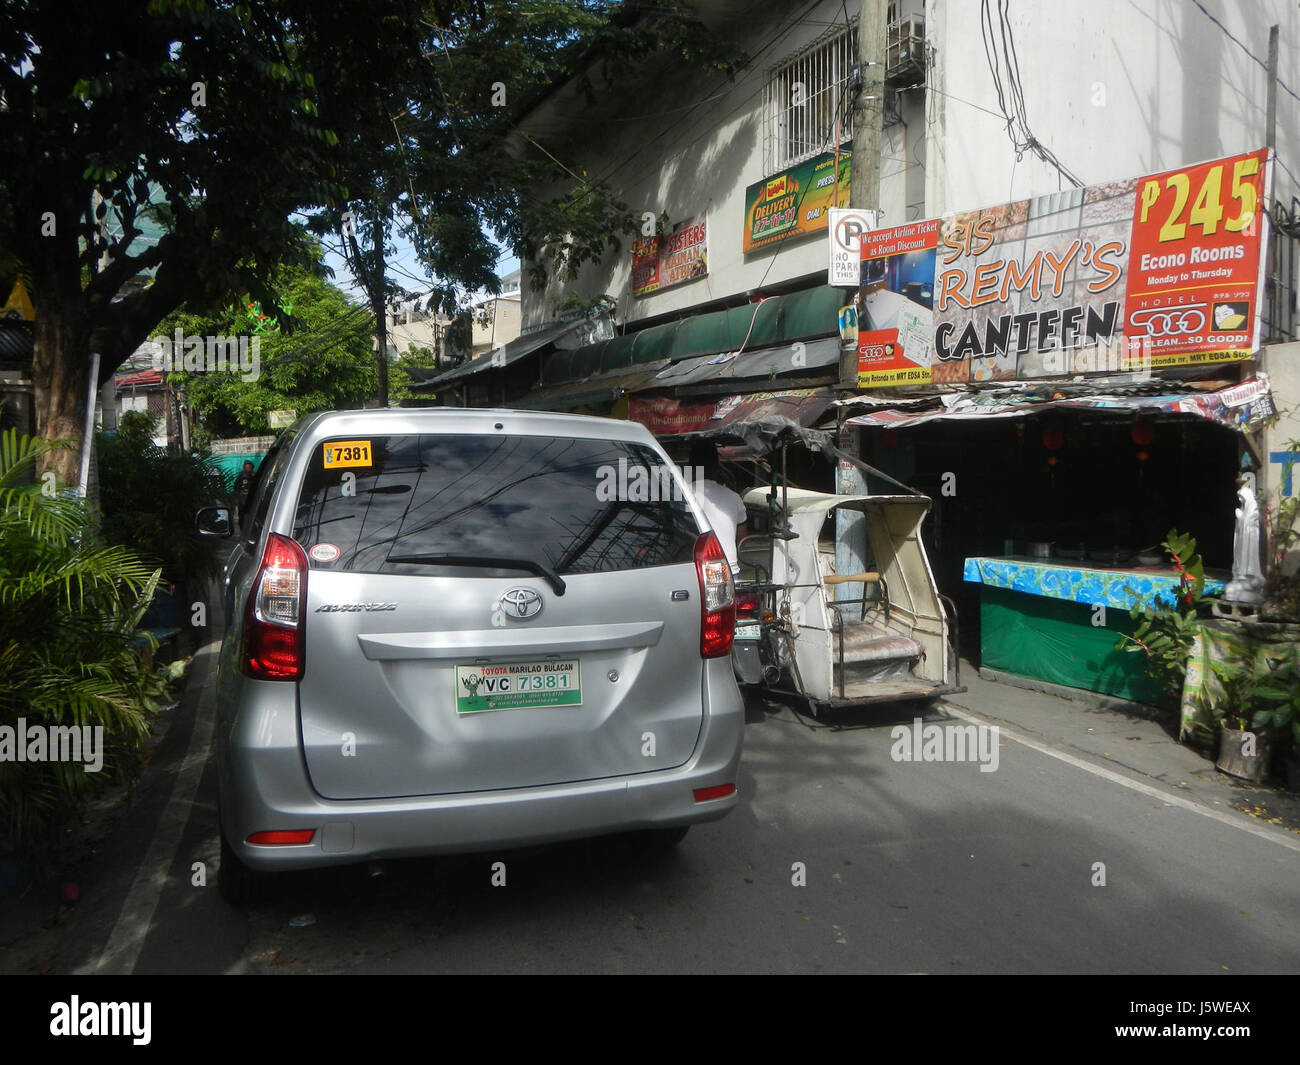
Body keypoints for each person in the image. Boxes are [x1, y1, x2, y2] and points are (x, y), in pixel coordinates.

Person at [687, 441, 747, 576]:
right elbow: (742, 540)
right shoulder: (734, 497)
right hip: (729, 569)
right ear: (717, 468)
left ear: (691, 468)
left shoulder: (683, 496)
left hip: (696, 570)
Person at [233, 459, 257, 531]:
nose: (249, 470)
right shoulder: (240, 478)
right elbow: (236, 489)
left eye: (250, 468)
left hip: (252, 502)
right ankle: (242, 531)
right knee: (242, 518)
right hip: (242, 502)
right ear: (244, 468)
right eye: (247, 468)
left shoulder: (255, 478)